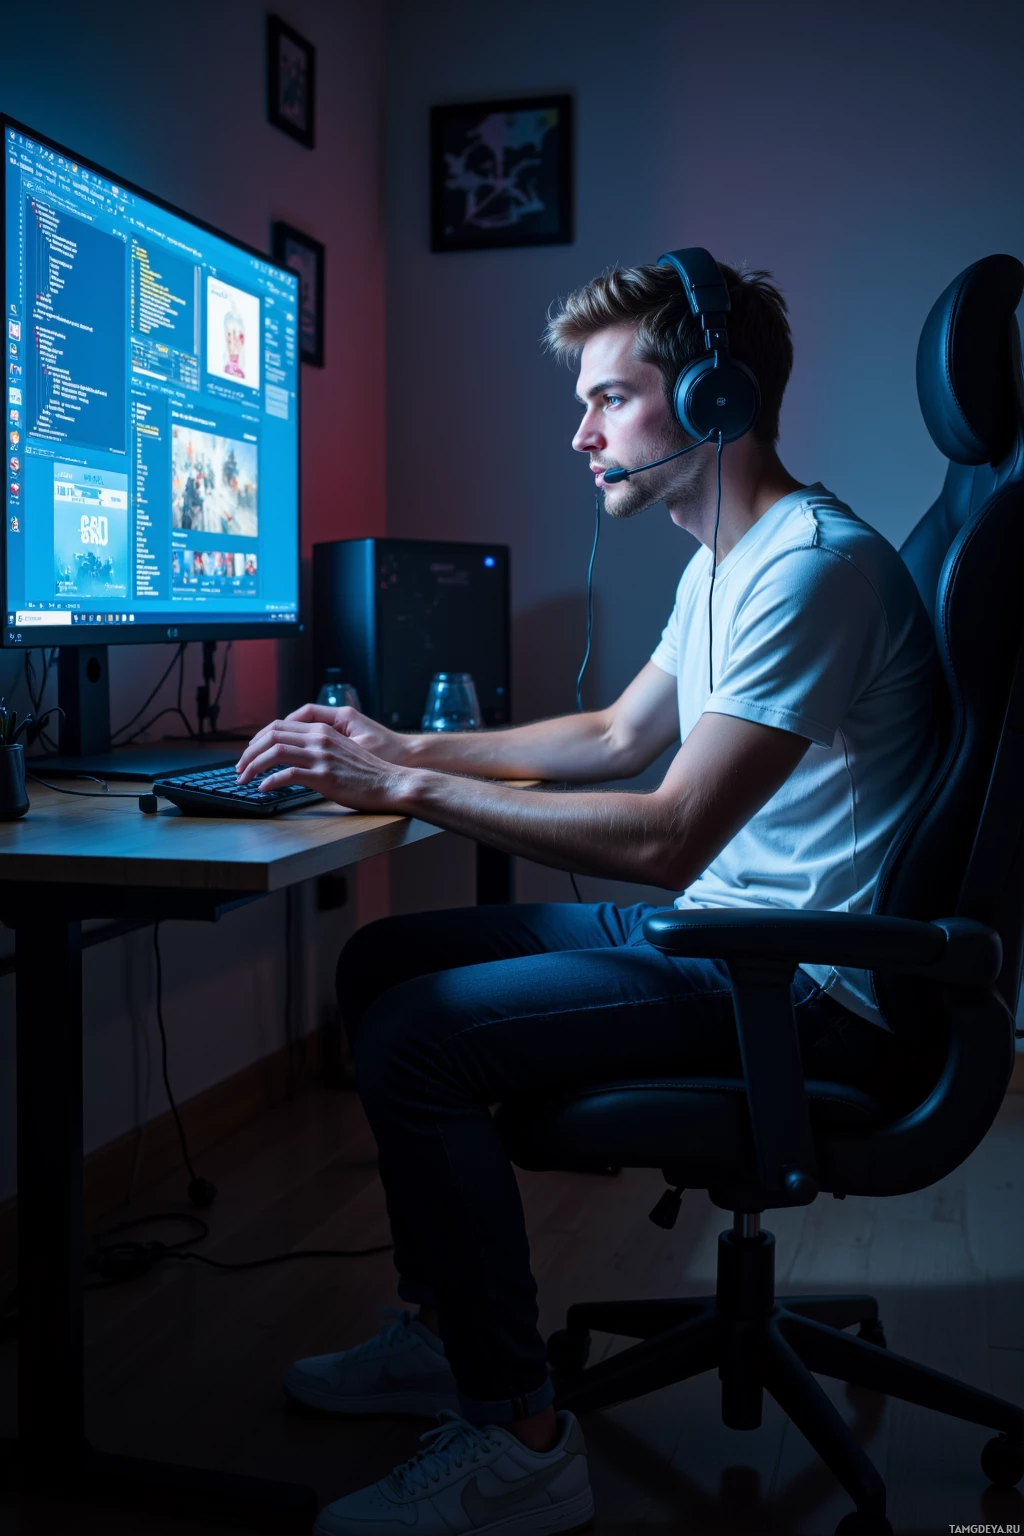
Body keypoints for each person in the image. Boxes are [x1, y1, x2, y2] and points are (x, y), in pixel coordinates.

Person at [236, 256, 941, 1535]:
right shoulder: (729, 556)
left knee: (416, 1037)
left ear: (716, 399)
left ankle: (521, 1441)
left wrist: (405, 791)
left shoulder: (812, 570)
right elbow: (620, 737)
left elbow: (668, 832)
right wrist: (394, 743)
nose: (581, 433)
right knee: (381, 966)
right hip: (727, 936)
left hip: (801, 980)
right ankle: (440, 1337)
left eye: (611, 399)